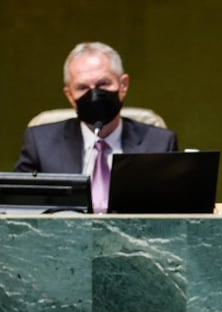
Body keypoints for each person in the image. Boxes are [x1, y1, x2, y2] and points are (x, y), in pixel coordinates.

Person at [14, 42, 178, 213]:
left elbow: (177, 213)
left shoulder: (159, 144)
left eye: (103, 84)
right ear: (70, 95)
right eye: (82, 88)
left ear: (123, 85)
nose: (94, 95)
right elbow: (16, 209)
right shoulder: (41, 143)